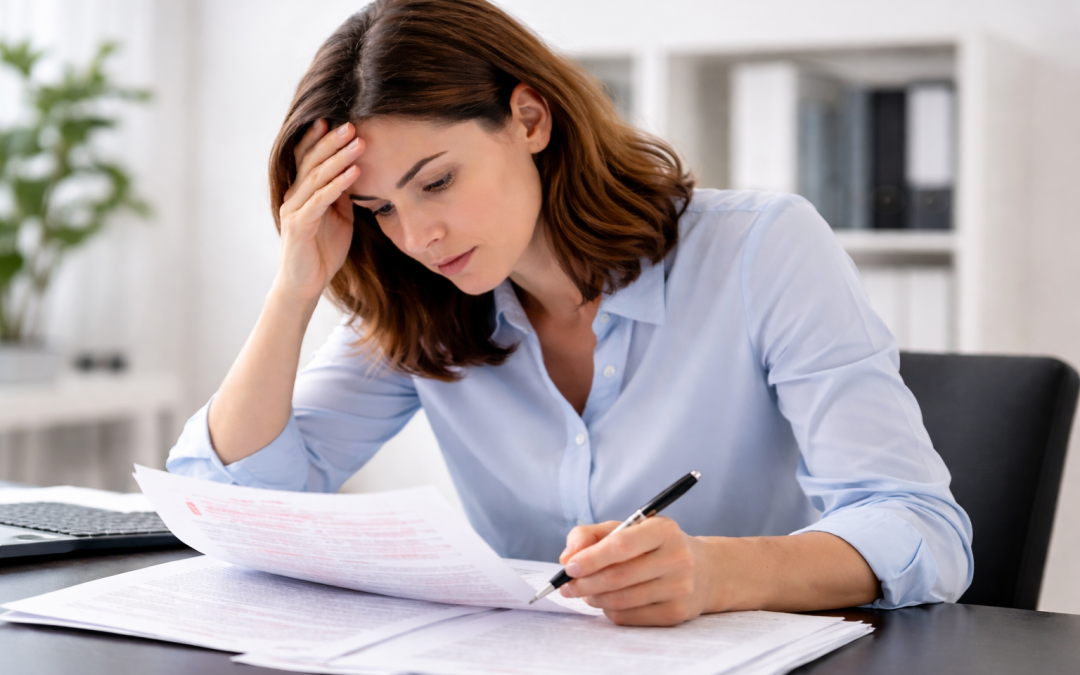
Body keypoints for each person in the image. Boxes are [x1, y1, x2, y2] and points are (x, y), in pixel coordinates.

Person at [167, 0, 973, 627]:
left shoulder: (762, 249)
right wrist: (293, 290)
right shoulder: (420, 304)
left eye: (437, 181)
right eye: (378, 207)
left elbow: (922, 528)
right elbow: (231, 496)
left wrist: (717, 573)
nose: (417, 235)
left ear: (529, 118)